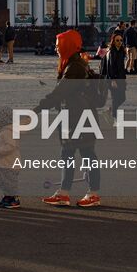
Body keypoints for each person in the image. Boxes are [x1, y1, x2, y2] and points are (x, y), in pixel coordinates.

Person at [40, 52, 102, 208]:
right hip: (80, 116)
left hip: (77, 117)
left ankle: (86, 194)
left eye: (58, 44)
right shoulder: (76, 64)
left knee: (75, 154)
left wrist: (35, 110)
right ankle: (68, 193)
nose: (56, 47)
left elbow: (60, 92)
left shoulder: (74, 67)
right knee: (80, 153)